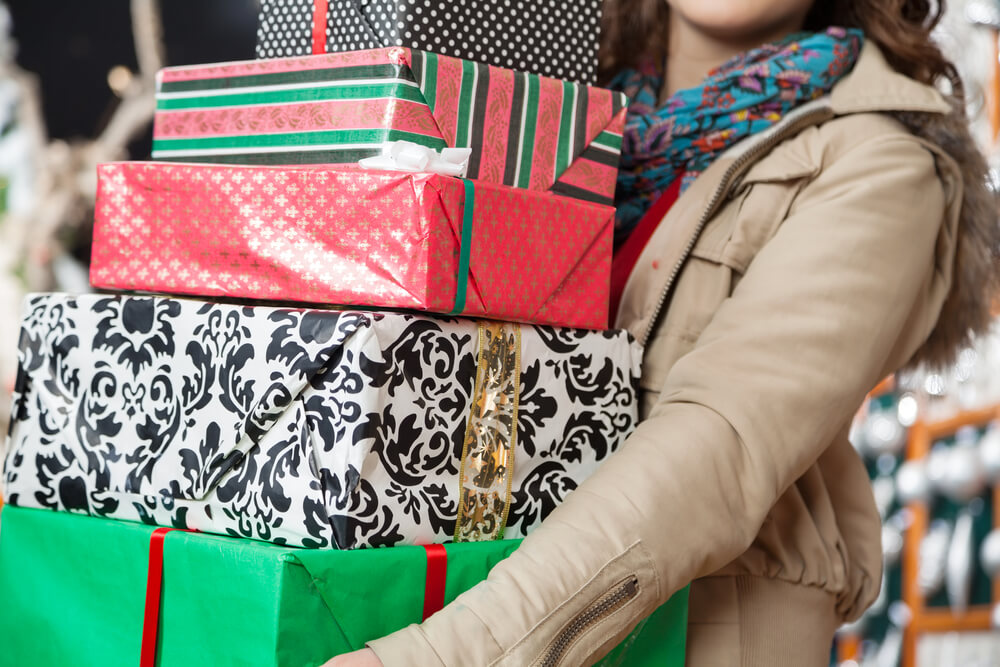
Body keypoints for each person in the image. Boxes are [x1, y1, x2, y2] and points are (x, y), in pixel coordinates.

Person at [329, 0, 1000, 664]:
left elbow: (717, 441)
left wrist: (449, 654)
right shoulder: (541, 108)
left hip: (691, 634)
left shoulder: (884, 162)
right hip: (446, 592)